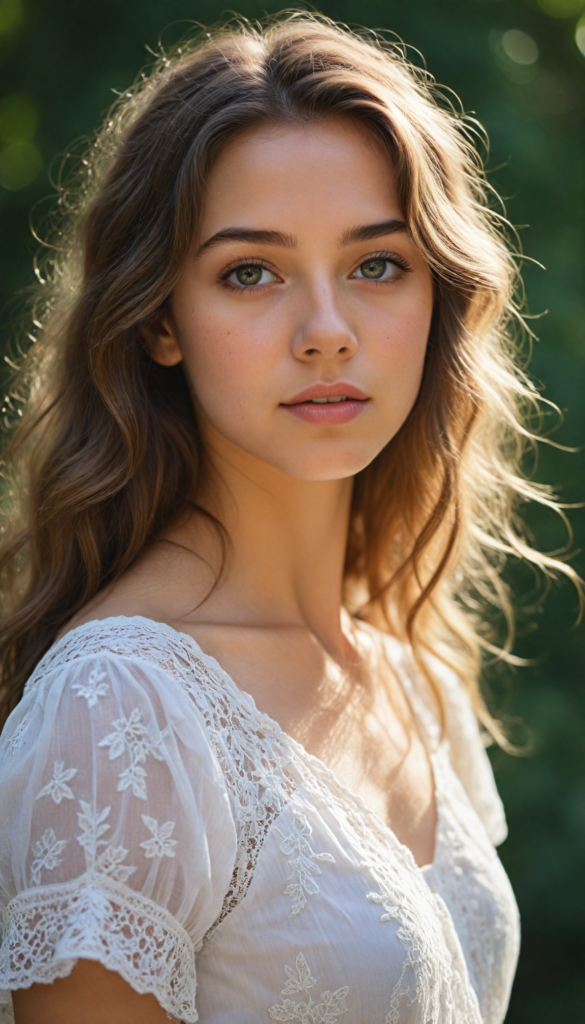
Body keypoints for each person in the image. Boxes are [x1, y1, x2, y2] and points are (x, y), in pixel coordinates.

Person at [0, 13, 578, 1024]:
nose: (327, 333)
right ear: (158, 320)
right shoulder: (121, 710)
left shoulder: (410, 669)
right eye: (251, 272)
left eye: (377, 264)